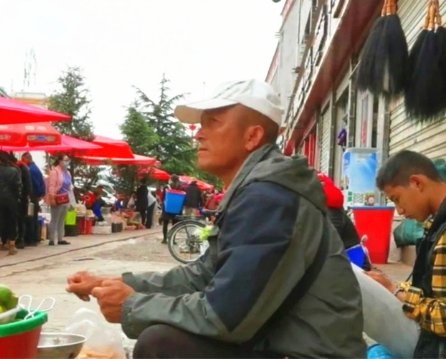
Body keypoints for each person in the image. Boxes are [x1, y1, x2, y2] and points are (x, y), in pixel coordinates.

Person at [66, 79, 365, 358]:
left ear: (252, 136)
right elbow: (202, 276)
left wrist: (132, 305)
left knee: (160, 344)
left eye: (214, 122)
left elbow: (226, 316)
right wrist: (112, 283)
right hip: (278, 340)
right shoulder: (257, 189)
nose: (199, 133)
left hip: (309, 353)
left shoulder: (269, 198)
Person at [365, 150, 446, 358]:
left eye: (397, 198)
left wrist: (395, 291)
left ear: (417, 183)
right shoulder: (435, 226)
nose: (399, 211)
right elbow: (431, 290)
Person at [317, 171, 371, 270]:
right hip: (347, 262)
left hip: (354, 264)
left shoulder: (332, 212)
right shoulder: (328, 209)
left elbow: (329, 242)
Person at [0, 150, 21, 257]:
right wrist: (16, 198)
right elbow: (18, 187)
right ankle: (11, 246)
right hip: (12, 201)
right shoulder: (14, 171)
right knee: (11, 222)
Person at [46, 154, 72, 246]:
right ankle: (51, 239)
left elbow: (69, 186)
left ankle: (61, 238)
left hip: (65, 198)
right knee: (55, 219)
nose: (67, 162)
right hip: (57, 197)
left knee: (62, 219)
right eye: (65, 160)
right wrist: (52, 197)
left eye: (68, 160)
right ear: (60, 161)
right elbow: (51, 185)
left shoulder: (67, 172)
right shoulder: (55, 171)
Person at [22, 152, 45, 246]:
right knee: (33, 217)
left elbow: (34, 183)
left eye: (23, 160)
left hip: (32, 196)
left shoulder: (30, 169)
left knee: (30, 217)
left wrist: (34, 194)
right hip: (36, 196)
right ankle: (35, 238)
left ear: (27, 159)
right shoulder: (36, 168)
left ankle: (31, 239)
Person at [9, 152, 32, 249]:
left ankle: (20, 239)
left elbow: (26, 184)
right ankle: (21, 239)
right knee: (21, 219)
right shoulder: (23, 167)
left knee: (20, 219)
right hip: (23, 197)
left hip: (20, 198)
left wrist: (25, 195)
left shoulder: (19, 168)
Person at [161, 175, 182, 244]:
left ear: (171, 179)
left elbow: (163, 197)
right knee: (174, 224)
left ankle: (164, 239)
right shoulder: (181, 187)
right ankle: (173, 240)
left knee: (165, 223)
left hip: (167, 207)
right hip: (176, 207)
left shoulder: (166, 187)